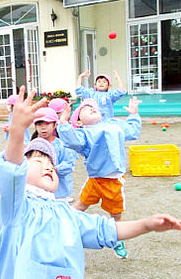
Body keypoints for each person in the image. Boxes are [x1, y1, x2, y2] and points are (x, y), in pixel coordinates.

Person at [0, 86, 181, 279]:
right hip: (96, 179)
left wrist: (146, 225)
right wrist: (17, 131)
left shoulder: (65, 213)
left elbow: (104, 229)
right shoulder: (16, 207)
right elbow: (9, 170)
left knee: (111, 212)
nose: (48, 167)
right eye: (38, 161)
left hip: (110, 182)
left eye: (51, 164)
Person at [57, 97, 142, 258]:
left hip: (113, 180)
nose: (91, 108)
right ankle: (60, 223)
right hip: (95, 180)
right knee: (81, 204)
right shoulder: (84, 133)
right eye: (85, 109)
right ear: (80, 122)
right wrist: (64, 122)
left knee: (116, 214)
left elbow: (132, 131)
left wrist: (134, 115)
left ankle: (117, 238)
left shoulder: (114, 124)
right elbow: (72, 140)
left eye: (93, 107)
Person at [30, 107, 77, 203]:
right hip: (38, 191)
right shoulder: (32, 145)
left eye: (47, 124)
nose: (43, 127)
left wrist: (55, 170)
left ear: (55, 125)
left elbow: (69, 164)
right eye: (39, 124)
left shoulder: (62, 144)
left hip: (59, 192)